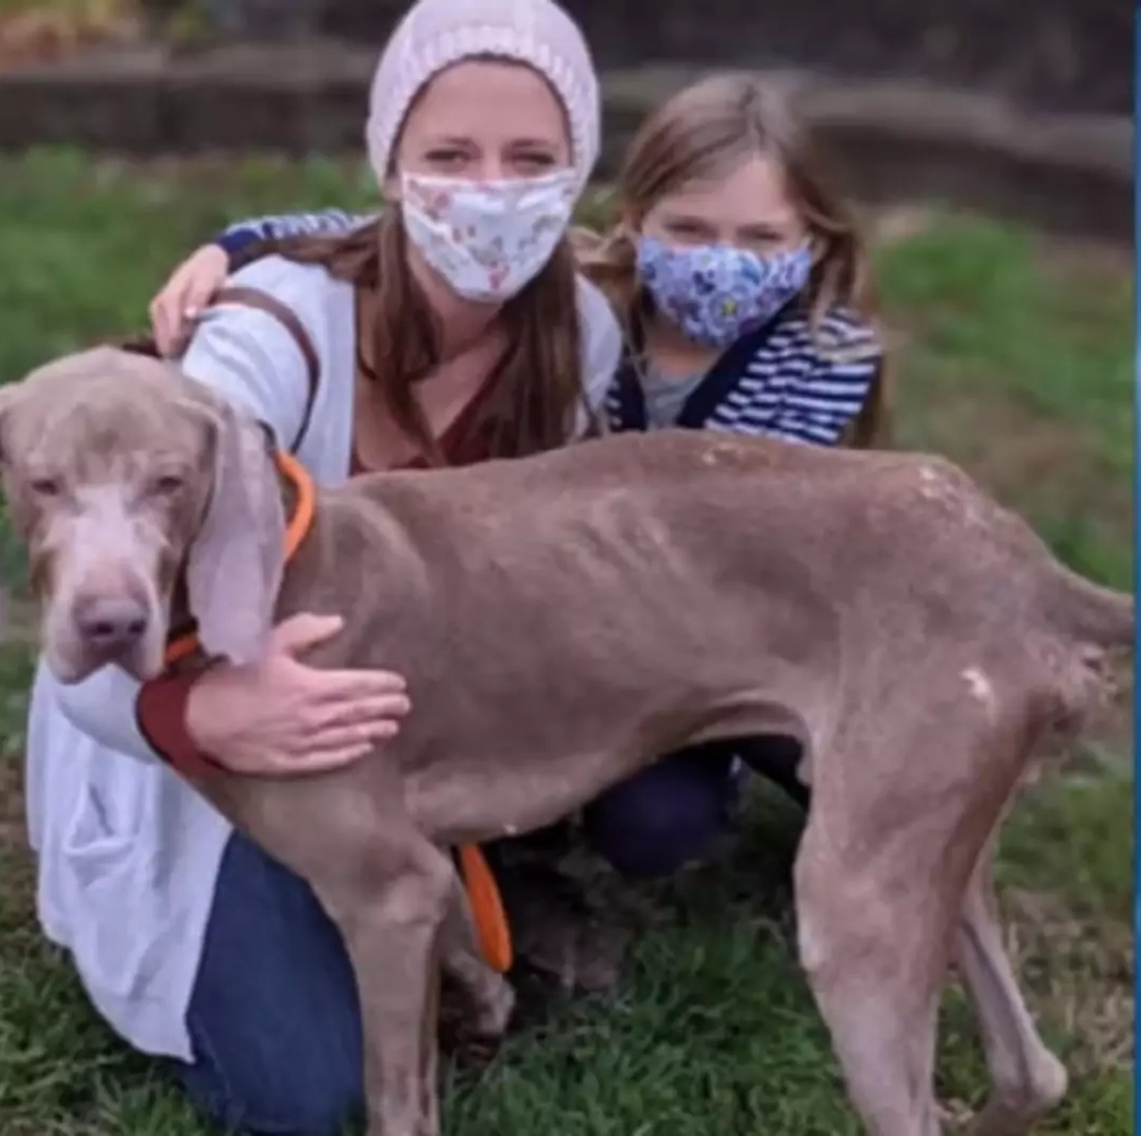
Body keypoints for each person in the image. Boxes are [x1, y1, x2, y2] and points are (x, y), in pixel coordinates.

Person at [25, 1, 620, 1133]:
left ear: (575, 170)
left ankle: (463, 872)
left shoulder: (579, 330)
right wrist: (201, 714)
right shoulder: (269, 333)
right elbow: (91, 649)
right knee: (303, 1089)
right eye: (448, 155)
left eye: (530, 159)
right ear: (390, 167)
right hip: (186, 718)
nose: (490, 192)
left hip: (406, 696)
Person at [149, 73, 889, 878]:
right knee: (651, 828)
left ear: (815, 240)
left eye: (760, 239)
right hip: (580, 616)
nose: (722, 262)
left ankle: (886, 835)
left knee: (867, 765)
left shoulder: (825, 357)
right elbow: (389, 228)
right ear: (633, 225)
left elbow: (766, 553)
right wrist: (236, 246)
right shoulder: (585, 298)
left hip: (738, 634)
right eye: (690, 230)